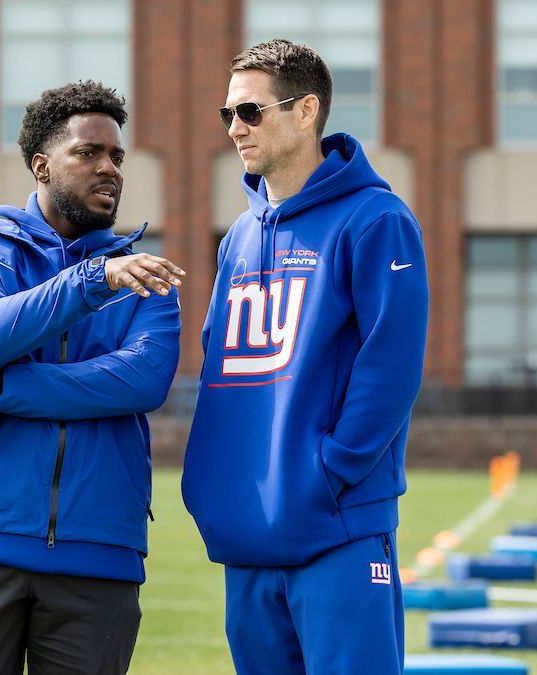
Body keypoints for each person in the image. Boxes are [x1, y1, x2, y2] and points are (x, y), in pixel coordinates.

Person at [0, 80, 184, 675]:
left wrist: (8, 388)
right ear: (41, 164)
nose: (108, 169)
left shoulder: (146, 273)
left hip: (100, 551)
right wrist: (92, 282)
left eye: (116, 156)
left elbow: (140, 381)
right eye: (87, 153)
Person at [181, 39, 429, 674]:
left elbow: (391, 364)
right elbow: (219, 362)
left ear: (306, 111)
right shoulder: (237, 236)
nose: (236, 127)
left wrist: (332, 469)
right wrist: (214, 486)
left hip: (336, 527)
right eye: (228, 114)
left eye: (252, 111)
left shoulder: (376, 219)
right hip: (247, 531)